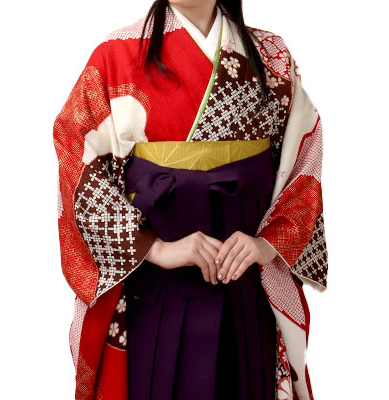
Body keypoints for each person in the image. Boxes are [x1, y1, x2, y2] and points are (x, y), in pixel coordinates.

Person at [53, 1, 329, 399]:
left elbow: (303, 156)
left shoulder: (271, 55)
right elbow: (74, 150)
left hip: (245, 284)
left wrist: (268, 243)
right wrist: (154, 248)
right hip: (155, 289)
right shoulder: (116, 55)